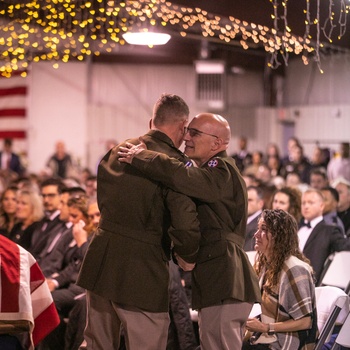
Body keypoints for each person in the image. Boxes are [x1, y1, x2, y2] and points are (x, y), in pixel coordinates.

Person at [118, 112, 261, 350]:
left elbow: (187, 178)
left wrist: (145, 158)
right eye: (187, 131)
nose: (187, 137)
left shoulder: (221, 169)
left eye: (195, 132)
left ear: (217, 143)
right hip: (217, 275)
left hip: (224, 275)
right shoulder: (209, 170)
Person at [77, 93, 201, 350]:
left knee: (97, 344)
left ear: (150, 122)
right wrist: (188, 255)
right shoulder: (174, 165)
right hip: (142, 267)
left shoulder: (116, 151)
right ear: (182, 127)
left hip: (101, 260)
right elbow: (184, 222)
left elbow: (103, 202)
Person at [243, 209, 318, 350]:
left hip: (287, 342)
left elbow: (305, 321)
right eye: (258, 228)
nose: (256, 234)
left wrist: (265, 327)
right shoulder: (266, 264)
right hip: (267, 337)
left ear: (279, 235)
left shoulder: (294, 269)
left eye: (264, 229)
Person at [299, 188, 350, 283]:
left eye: (311, 203)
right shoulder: (297, 228)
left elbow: (345, 244)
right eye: (303, 203)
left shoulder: (329, 230)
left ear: (321, 206)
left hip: (311, 284)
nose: (306, 206)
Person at [244, 186, 265, 251]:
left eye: (250, 200)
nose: (246, 203)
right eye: (244, 199)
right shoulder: (241, 221)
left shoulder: (261, 224)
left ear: (260, 204)